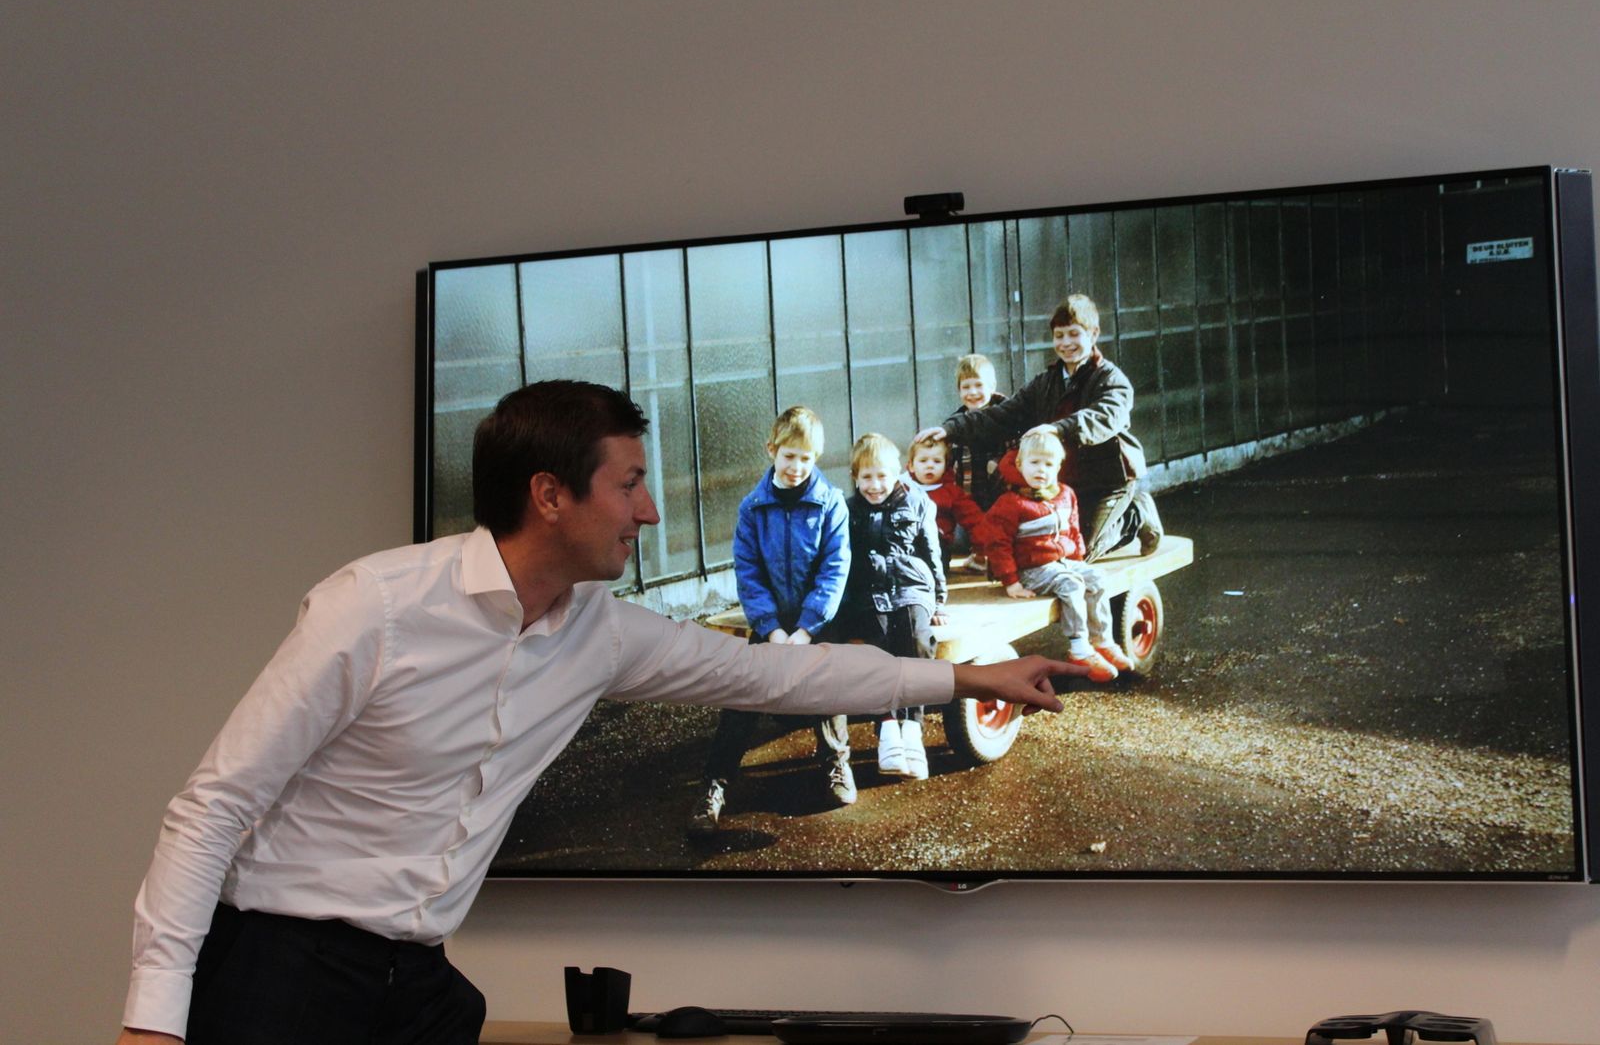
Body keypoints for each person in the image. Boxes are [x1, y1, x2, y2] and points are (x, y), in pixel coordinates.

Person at [115, 380, 1074, 1045]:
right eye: (628, 484)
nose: (650, 510)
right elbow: (214, 807)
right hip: (280, 976)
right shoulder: (373, 607)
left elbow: (784, 681)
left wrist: (964, 682)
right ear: (548, 495)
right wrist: (155, 1017)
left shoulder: (601, 633)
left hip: (418, 990)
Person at [687, 406, 854, 833]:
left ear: (816, 458)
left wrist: (806, 629)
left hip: (816, 623)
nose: (797, 467)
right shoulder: (752, 508)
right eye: (789, 456)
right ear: (771, 450)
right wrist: (773, 630)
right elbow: (749, 573)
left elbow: (834, 570)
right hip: (772, 626)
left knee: (826, 681)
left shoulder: (831, 503)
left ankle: (836, 763)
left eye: (806, 458)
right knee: (743, 691)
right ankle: (713, 786)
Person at [918, 296, 1164, 562]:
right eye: (1059, 335)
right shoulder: (1045, 382)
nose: (1066, 343)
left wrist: (1056, 430)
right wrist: (951, 429)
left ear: (1093, 334)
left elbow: (1103, 417)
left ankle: (1136, 513)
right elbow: (1002, 415)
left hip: (1108, 482)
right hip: (1062, 482)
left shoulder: (1112, 380)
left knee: (1081, 553)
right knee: (1040, 547)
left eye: (1074, 334)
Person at [982, 425, 1132, 683]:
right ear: (1020, 464)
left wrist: (1078, 560)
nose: (1041, 470)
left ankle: (1102, 640)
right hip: (1030, 571)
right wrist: (1012, 582)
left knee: (1096, 577)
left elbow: (1073, 531)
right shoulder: (1011, 503)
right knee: (1071, 584)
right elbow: (997, 544)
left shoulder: (1064, 495)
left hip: (1061, 562)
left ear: (1059, 466)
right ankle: (1079, 648)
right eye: (1034, 462)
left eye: (1049, 464)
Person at [841, 433, 947, 781]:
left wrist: (939, 598)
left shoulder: (916, 502)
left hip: (910, 586)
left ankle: (912, 728)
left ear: (898, 473)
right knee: (878, 644)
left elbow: (931, 552)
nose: (875, 485)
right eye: (867, 477)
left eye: (882, 476)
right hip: (868, 590)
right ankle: (886, 726)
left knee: (917, 640)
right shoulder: (849, 509)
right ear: (855, 477)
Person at [906, 431, 986, 575]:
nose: (930, 466)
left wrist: (981, 549)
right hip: (904, 542)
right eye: (923, 461)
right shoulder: (902, 487)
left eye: (937, 461)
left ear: (945, 466)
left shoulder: (951, 492)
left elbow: (974, 520)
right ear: (911, 465)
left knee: (933, 568)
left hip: (937, 545)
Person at [948, 352, 1010, 513]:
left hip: (1004, 501)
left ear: (992, 386)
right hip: (970, 504)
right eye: (966, 387)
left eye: (979, 385)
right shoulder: (956, 425)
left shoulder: (1007, 417)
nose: (973, 392)